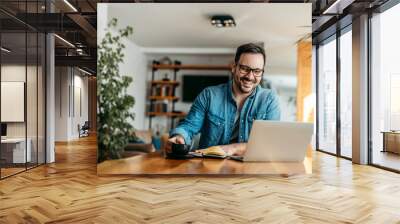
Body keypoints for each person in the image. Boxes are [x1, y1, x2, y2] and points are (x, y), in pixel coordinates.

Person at [167, 43, 280, 156]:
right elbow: (189, 126)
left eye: (257, 71)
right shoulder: (209, 95)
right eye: (245, 69)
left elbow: (270, 143)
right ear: (234, 67)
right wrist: (179, 137)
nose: (250, 77)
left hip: (251, 170)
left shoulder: (269, 100)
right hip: (209, 168)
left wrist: (233, 149)